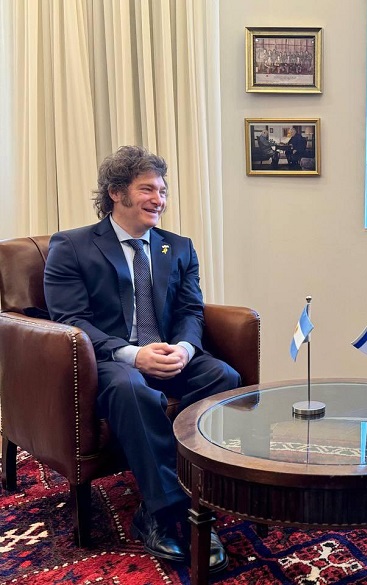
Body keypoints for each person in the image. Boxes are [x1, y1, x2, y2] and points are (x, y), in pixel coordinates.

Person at [43, 146, 241, 573]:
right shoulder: (72, 246)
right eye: (147, 189)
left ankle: (197, 495)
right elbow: (70, 320)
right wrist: (134, 355)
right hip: (109, 360)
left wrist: (184, 348)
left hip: (170, 353)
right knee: (133, 389)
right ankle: (169, 514)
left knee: (224, 377)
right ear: (116, 193)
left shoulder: (178, 247)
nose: (159, 199)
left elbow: (191, 311)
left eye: (163, 191)